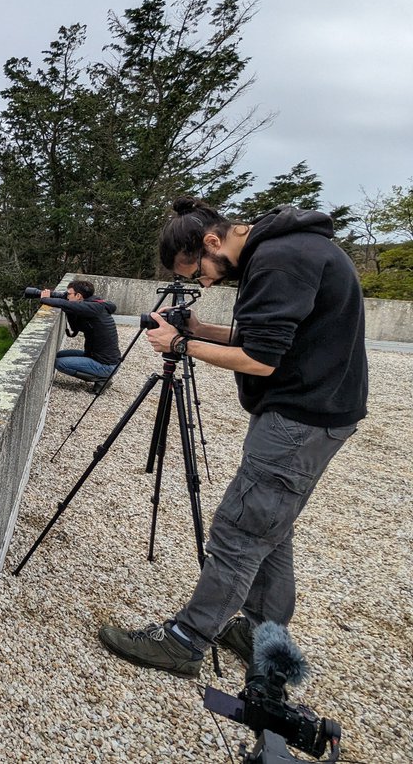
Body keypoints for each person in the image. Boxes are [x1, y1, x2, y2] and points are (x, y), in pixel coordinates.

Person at [98, 198, 368, 677]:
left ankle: (186, 640)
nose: (203, 282)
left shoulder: (280, 259)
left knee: (240, 530)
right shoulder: (288, 247)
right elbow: (271, 335)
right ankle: (264, 631)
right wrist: (203, 330)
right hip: (314, 412)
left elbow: (262, 359)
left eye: (197, 271)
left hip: (300, 418)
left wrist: (182, 344)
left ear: (213, 241)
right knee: (271, 528)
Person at [37, 280, 120, 391]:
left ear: (79, 296)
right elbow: (76, 328)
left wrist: (45, 299)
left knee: (59, 363)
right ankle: (100, 375)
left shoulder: (94, 308)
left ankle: (102, 378)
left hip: (106, 365)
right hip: (93, 356)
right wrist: (70, 309)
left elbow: (64, 304)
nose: (66, 296)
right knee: (58, 355)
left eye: (69, 294)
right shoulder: (92, 305)